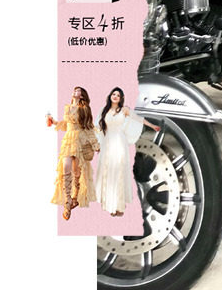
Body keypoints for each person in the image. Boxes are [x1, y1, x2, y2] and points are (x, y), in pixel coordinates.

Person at [95, 87, 160, 217]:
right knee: (108, 174)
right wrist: (97, 143)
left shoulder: (124, 110)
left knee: (118, 173)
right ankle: (110, 205)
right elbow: (98, 127)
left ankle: (119, 207)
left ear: (121, 98)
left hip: (119, 142)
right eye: (113, 94)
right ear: (110, 96)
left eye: (118, 95)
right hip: (107, 142)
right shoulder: (104, 111)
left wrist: (152, 126)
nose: (115, 96)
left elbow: (138, 119)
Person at [49, 86, 100, 220]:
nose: (75, 92)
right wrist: (54, 122)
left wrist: (95, 145)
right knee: (65, 168)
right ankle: (67, 203)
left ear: (81, 95)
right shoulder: (68, 107)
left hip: (79, 140)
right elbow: (67, 124)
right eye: (75, 90)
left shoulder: (84, 109)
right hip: (68, 140)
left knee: (76, 172)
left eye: (78, 91)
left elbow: (89, 127)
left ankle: (75, 197)